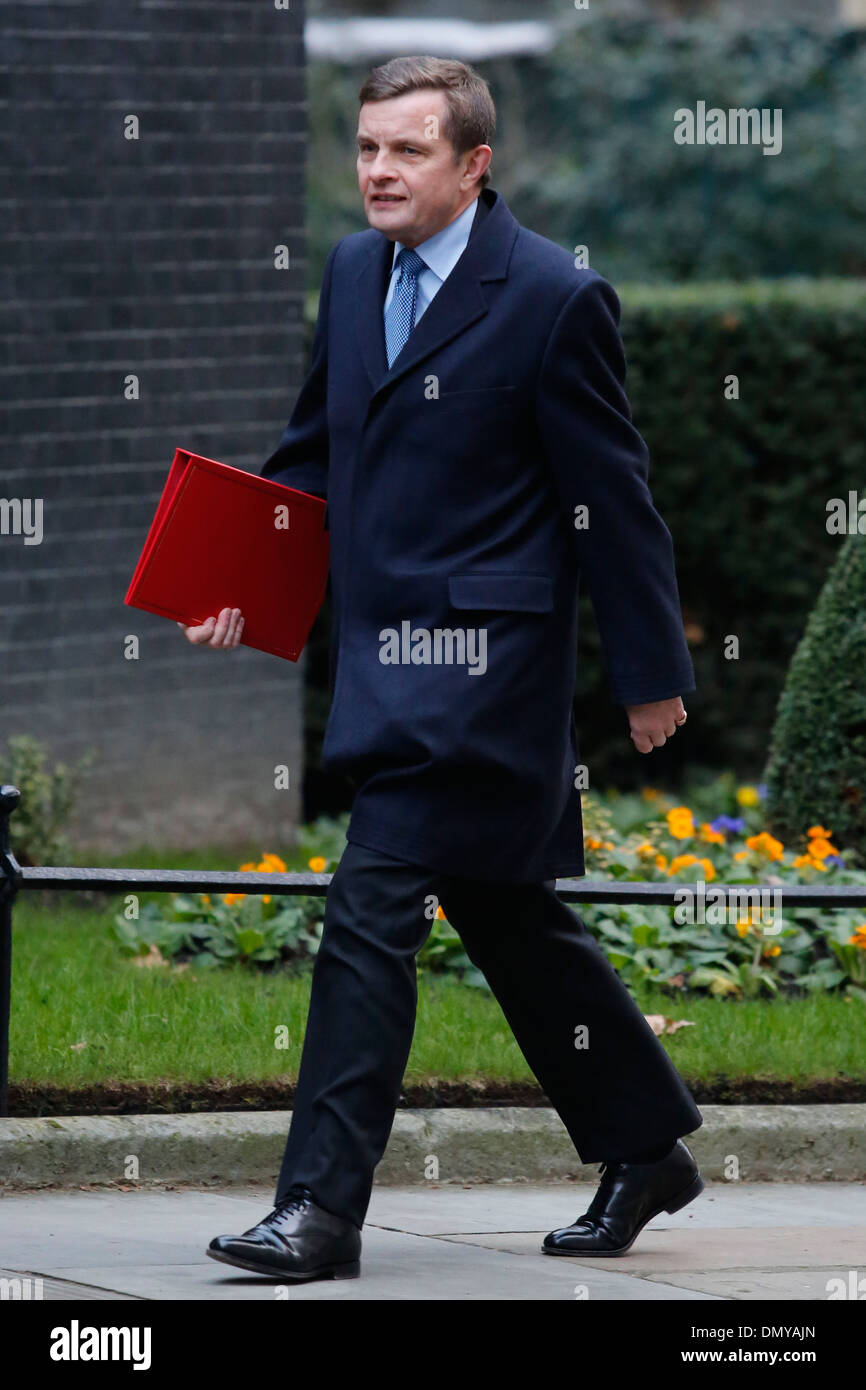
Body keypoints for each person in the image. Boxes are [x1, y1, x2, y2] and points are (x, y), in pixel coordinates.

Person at [179, 55, 704, 1284]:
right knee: (510, 917)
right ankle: (646, 1144)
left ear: (472, 164)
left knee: (370, 904)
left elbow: (610, 504)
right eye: (365, 149)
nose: (374, 172)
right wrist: (237, 580)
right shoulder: (355, 271)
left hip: (485, 674)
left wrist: (646, 670)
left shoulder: (553, 296)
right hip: (378, 660)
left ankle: (317, 1210)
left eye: (404, 151)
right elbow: (315, 451)